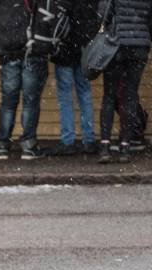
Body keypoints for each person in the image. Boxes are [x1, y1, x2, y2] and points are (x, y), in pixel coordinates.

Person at [0, 0, 50, 160]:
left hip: (7, 54)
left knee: (8, 101)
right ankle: (28, 145)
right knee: (30, 100)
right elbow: (45, 20)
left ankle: (2, 144)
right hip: (31, 52)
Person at [98, 0, 152, 163]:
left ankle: (105, 147)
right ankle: (125, 146)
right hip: (139, 47)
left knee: (109, 95)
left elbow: (103, 15)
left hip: (116, 46)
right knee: (130, 96)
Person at [50, 0, 100, 156]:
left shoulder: (61, 2)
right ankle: (89, 139)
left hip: (64, 51)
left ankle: (68, 141)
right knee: (84, 93)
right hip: (83, 51)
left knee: (65, 96)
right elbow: (95, 22)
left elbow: (54, 21)